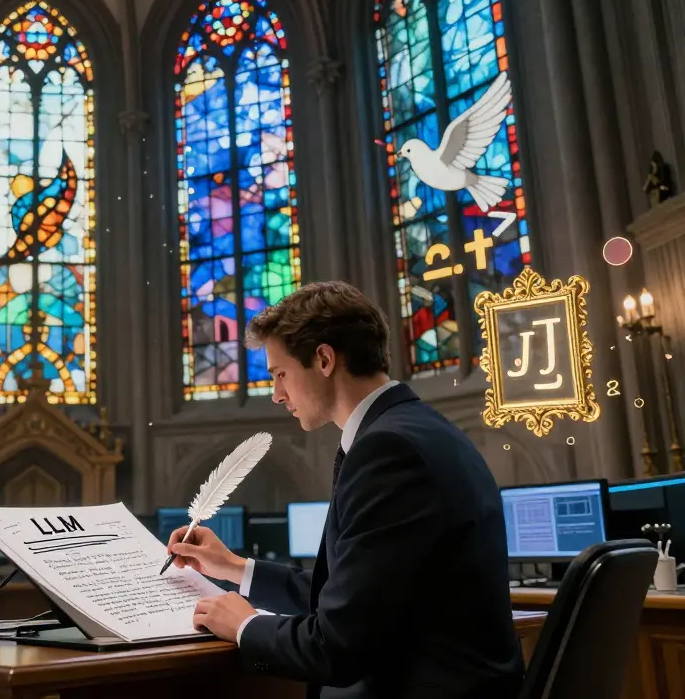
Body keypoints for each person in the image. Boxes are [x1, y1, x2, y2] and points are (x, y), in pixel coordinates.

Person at [171, 281, 523, 698]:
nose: (276, 395)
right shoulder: (417, 430)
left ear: (323, 359)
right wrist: (233, 567)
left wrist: (246, 627)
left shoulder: (388, 450)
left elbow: (337, 649)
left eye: (280, 374)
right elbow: (359, 597)